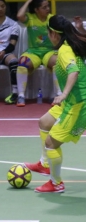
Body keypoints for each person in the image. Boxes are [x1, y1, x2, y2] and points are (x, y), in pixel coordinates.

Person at [24, 15, 86, 193]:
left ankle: (56, 183)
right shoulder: (69, 45)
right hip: (73, 102)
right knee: (44, 122)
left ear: (54, 35)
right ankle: (44, 165)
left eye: (48, 32)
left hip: (78, 105)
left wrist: (63, 94)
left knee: (51, 143)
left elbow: (73, 72)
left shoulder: (65, 51)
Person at [16, 0, 62, 107]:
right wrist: (28, 1)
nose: (48, 9)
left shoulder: (52, 19)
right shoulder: (30, 18)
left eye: (48, 6)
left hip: (49, 51)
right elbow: (19, 15)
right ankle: (21, 95)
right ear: (36, 9)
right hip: (33, 52)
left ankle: (59, 95)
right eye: (44, 7)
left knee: (57, 61)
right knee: (22, 62)